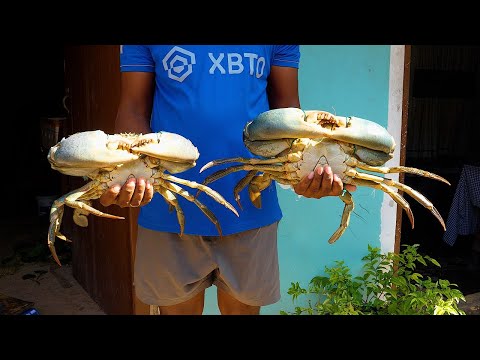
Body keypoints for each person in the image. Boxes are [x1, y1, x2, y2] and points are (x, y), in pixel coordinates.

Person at [99, 45, 356, 315]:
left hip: (251, 205)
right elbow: (133, 108)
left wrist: (302, 175)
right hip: (169, 203)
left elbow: (287, 113)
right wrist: (133, 171)